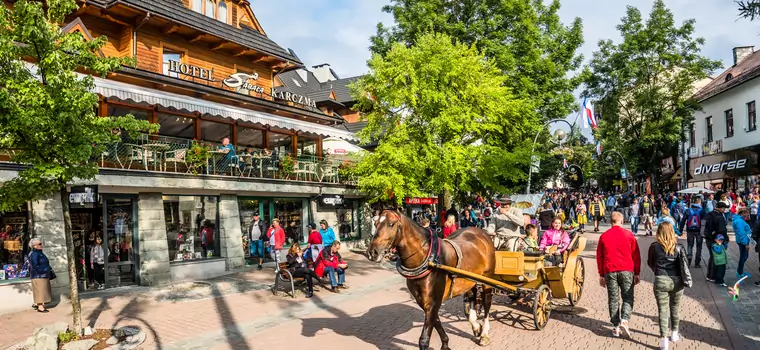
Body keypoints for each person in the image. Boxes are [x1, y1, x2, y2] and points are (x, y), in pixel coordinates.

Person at [647, 222, 691, 350]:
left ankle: (663, 340)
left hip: (661, 279)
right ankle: (675, 333)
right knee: (675, 307)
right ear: (672, 232)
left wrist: (658, 271)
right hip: (677, 280)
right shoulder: (679, 247)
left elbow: (650, 263)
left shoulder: (654, 247)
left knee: (662, 310)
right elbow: (685, 264)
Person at [597, 212, 641, 338]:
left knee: (613, 298)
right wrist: (637, 272)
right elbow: (636, 255)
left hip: (610, 270)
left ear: (611, 222)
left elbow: (600, 256)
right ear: (622, 221)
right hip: (627, 269)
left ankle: (616, 326)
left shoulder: (604, 236)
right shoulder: (629, 235)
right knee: (627, 297)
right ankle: (625, 320)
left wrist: (601, 274)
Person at [704, 202, 729, 282]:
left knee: (712, 256)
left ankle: (709, 275)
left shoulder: (708, 214)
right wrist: (725, 238)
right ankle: (713, 276)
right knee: (716, 258)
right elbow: (722, 230)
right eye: (723, 208)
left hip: (708, 238)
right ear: (719, 208)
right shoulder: (719, 217)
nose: (724, 209)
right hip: (717, 240)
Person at [28, 238, 53, 313]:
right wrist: (45, 269)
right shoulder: (34, 253)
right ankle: (40, 307)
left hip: (42, 274)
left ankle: (37, 304)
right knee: (40, 291)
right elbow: (35, 266)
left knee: (42, 290)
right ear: (34, 245)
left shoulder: (38, 252)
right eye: (39, 244)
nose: (41, 245)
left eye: (41, 243)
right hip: (38, 275)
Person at [684, 199, 706, 267]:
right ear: (700, 203)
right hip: (699, 231)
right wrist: (704, 231)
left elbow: (683, 220)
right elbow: (704, 222)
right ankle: (697, 263)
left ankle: (689, 258)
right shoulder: (702, 211)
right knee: (699, 247)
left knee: (690, 245)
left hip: (690, 230)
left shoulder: (688, 210)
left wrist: (680, 229)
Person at [733, 208, 753, 279]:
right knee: (743, 256)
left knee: (745, 256)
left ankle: (740, 271)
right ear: (743, 213)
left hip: (742, 241)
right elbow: (741, 233)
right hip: (743, 241)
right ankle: (740, 272)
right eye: (747, 213)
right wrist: (746, 244)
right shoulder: (739, 221)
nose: (748, 215)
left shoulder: (740, 220)